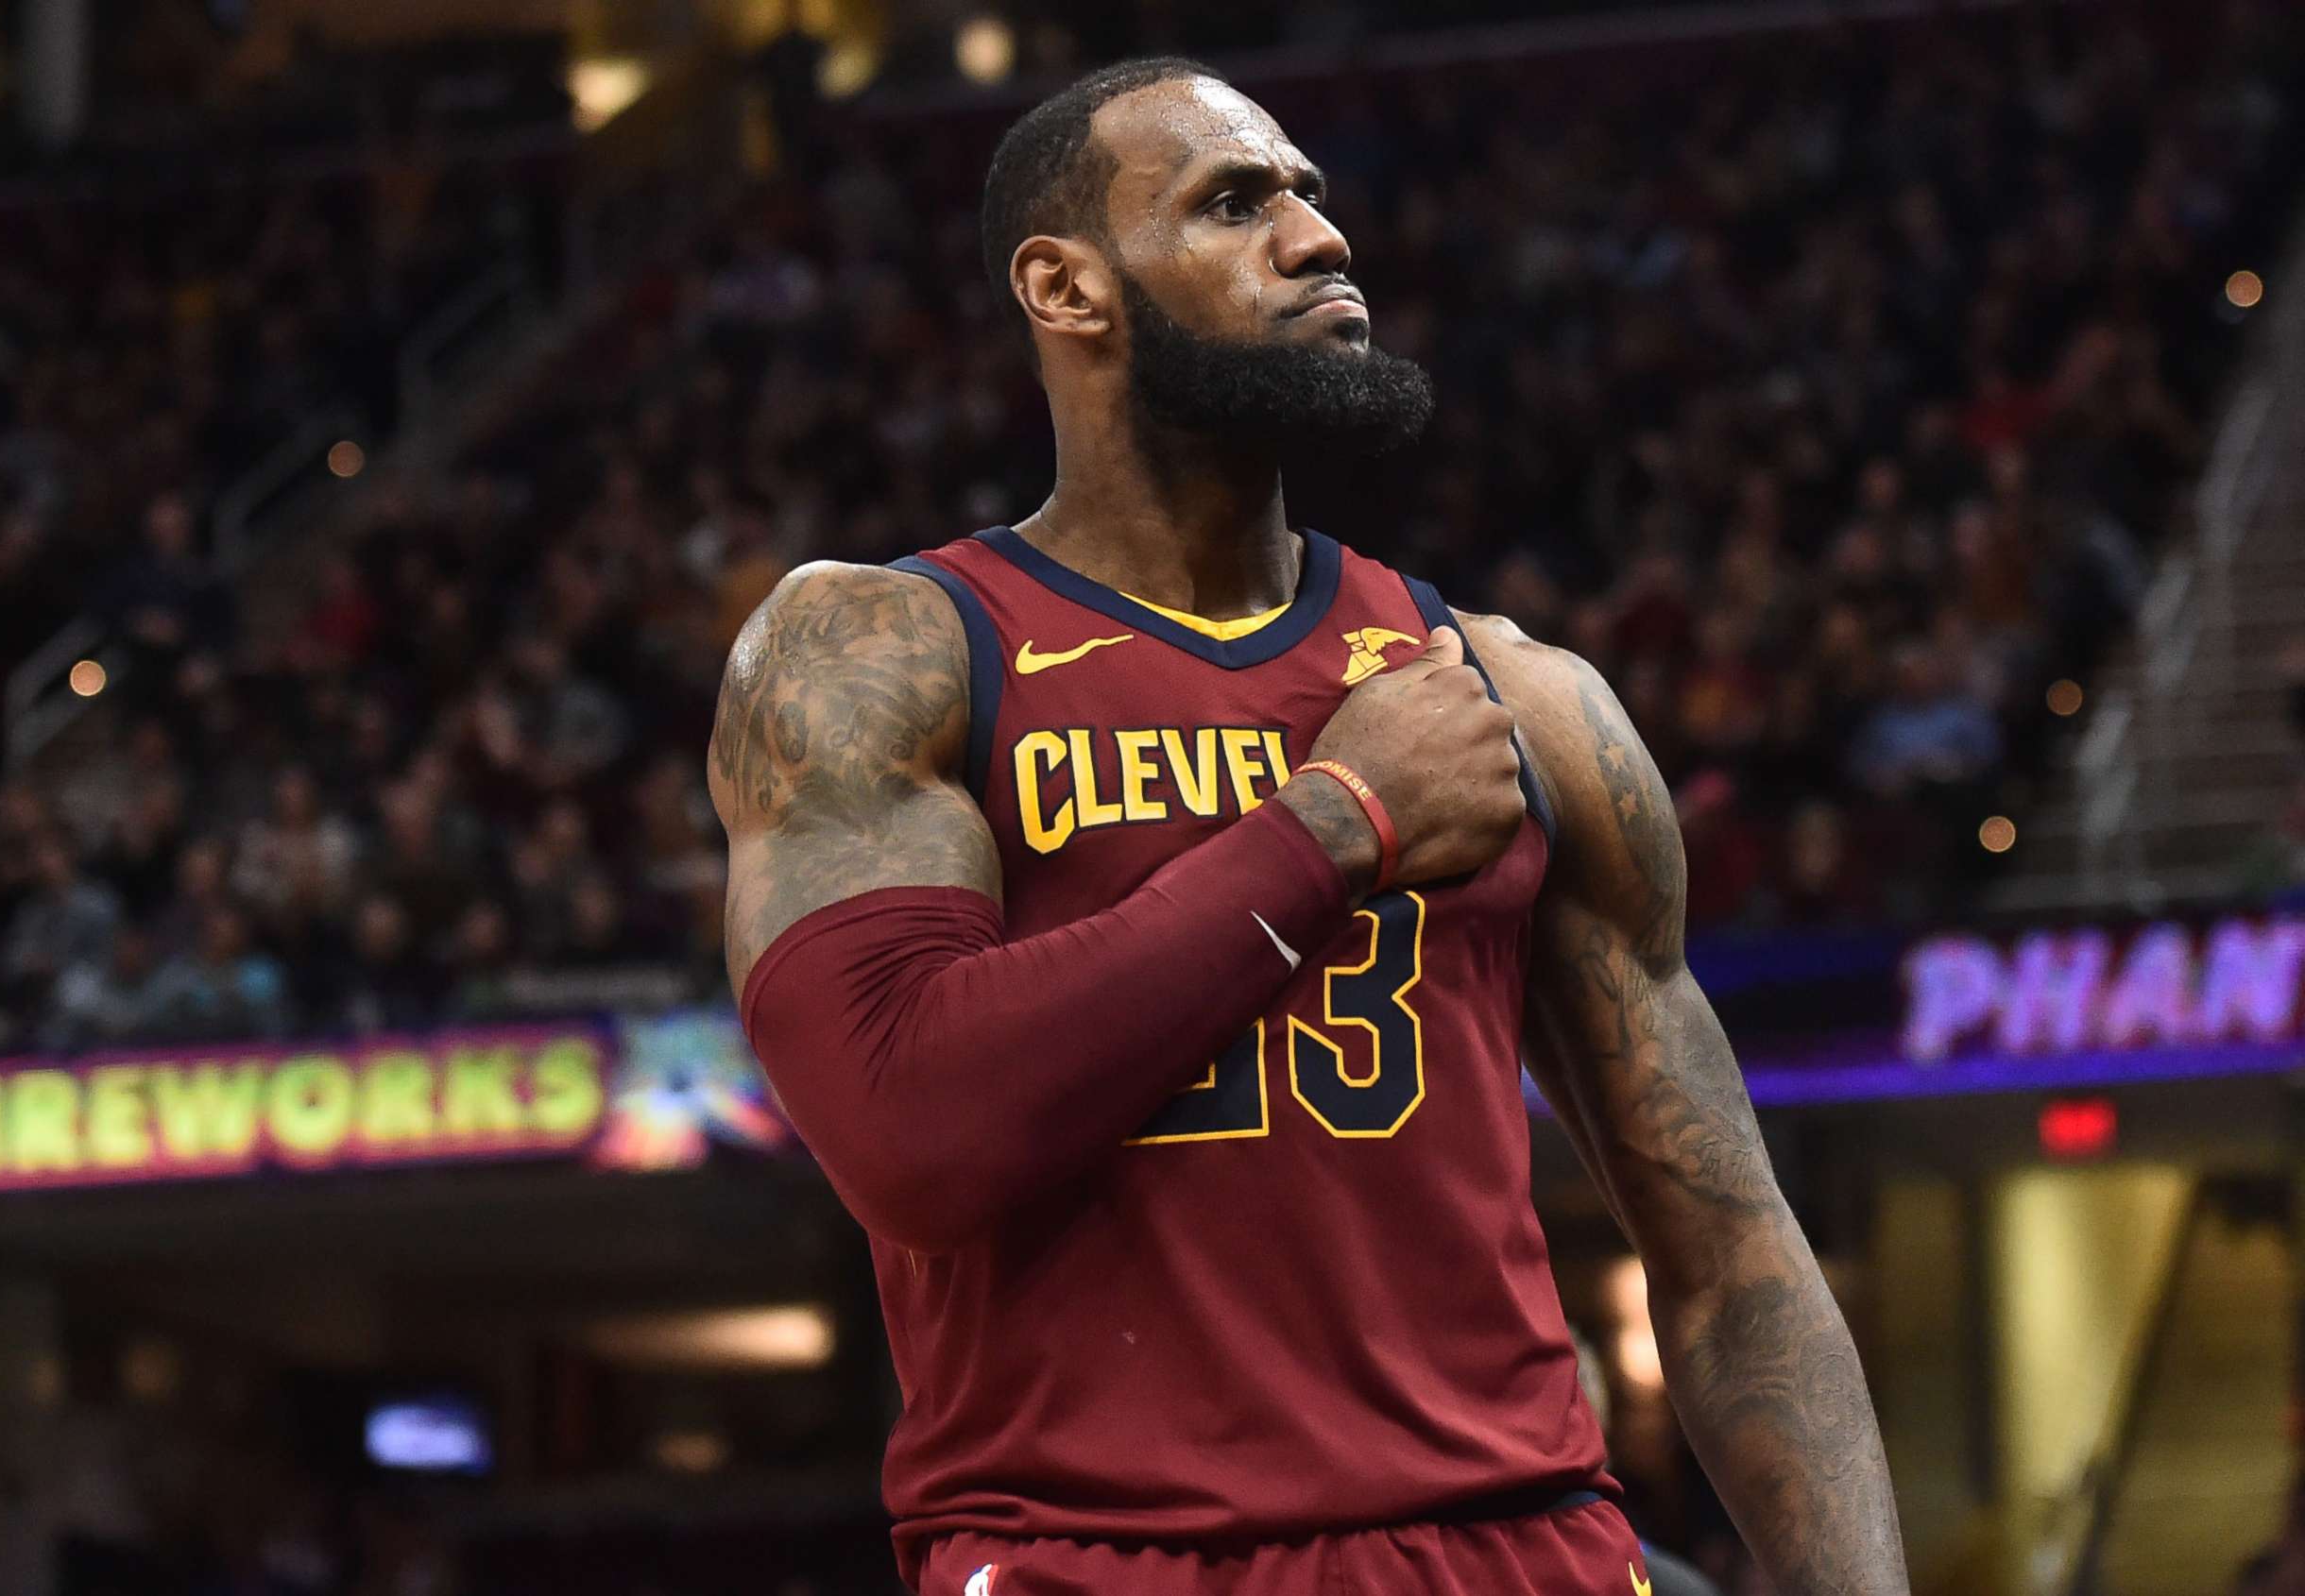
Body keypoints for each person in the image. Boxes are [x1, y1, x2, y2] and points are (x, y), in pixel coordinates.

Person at [709, 58, 1904, 1596]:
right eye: (1235, 202)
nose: (1317, 237)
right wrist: (1332, 826)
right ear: (1065, 287)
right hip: (1113, 1558)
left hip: (1519, 1541)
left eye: (1311, 197)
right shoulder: (891, 649)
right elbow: (907, 1131)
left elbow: (1735, 1262)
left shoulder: (1517, 696)